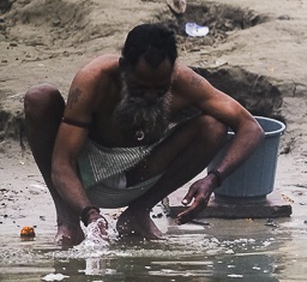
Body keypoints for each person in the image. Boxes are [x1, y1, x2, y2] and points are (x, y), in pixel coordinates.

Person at [23, 23, 265, 247]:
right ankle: (68, 221)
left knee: (213, 127)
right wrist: (90, 214)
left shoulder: (184, 81)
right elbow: (62, 164)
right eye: (140, 88)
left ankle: (137, 213)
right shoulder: (95, 78)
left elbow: (251, 127)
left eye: (160, 89)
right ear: (123, 69)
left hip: (143, 172)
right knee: (39, 97)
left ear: (171, 73)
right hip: (83, 181)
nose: (150, 97)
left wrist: (212, 180)